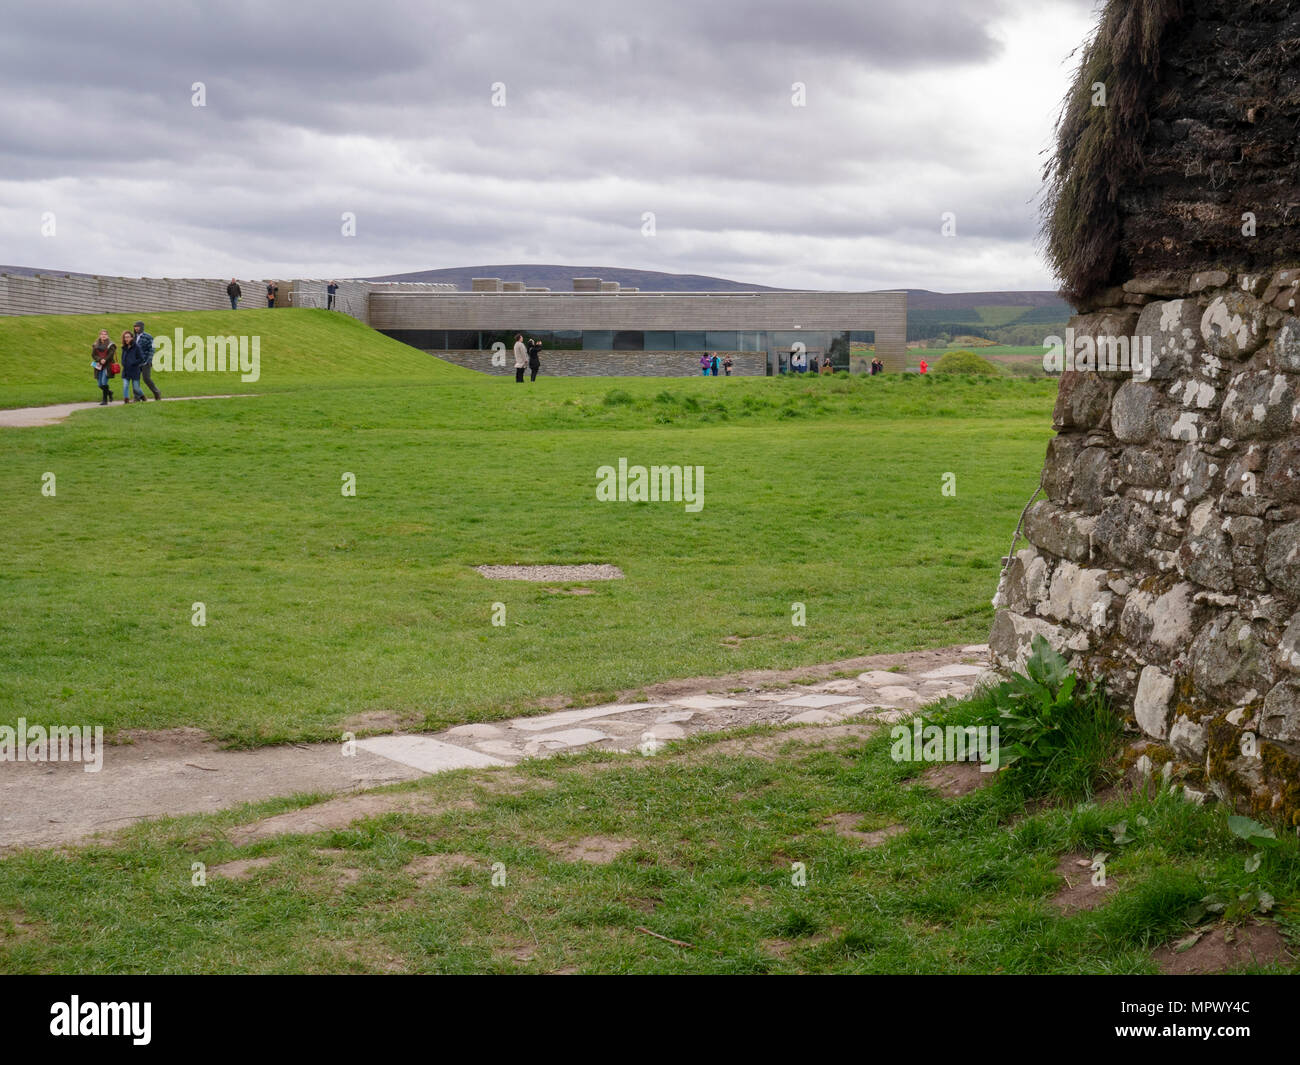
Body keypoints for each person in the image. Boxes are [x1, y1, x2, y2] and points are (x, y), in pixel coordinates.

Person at [134, 320, 161, 400]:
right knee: (135, 379)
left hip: (145, 362)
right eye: (135, 327)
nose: (136, 328)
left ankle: (157, 392)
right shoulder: (133, 337)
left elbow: (152, 349)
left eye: (137, 326)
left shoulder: (148, 336)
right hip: (136, 362)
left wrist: (149, 360)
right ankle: (137, 397)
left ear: (141, 327)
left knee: (146, 378)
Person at [91, 329, 116, 405]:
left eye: (105, 334)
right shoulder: (95, 344)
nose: (103, 335)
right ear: (100, 335)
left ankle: (105, 400)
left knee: (104, 382)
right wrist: (99, 359)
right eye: (102, 334)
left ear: (107, 336)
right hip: (99, 366)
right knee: (99, 384)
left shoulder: (111, 344)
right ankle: (109, 392)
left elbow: (111, 354)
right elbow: (93, 355)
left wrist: (105, 360)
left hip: (107, 366)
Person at [120, 329, 145, 403]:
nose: (126, 339)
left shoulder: (137, 347)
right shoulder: (124, 347)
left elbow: (141, 359)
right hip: (126, 371)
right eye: (125, 337)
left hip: (135, 370)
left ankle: (143, 397)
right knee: (125, 386)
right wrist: (123, 363)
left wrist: (133, 363)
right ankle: (126, 400)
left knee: (136, 388)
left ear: (131, 338)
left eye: (128, 337)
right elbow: (122, 357)